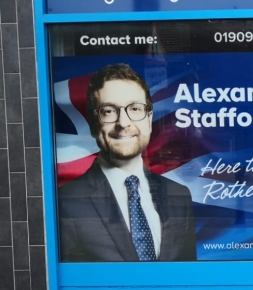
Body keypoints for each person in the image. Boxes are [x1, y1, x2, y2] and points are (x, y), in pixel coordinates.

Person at [59, 63, 196, 262]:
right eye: (108, 111)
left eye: (135, 108)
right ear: (93, 125)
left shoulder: (180, 196)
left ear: (149, 119)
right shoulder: (66, 202)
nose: (123, 123)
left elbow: (187, 278)